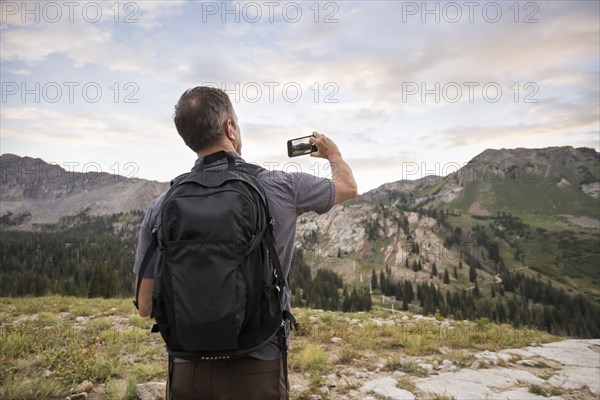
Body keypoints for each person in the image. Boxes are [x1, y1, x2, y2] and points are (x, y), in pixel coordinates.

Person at [133, 86, 357, 400]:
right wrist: (334, 155)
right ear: (229, 128)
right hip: (259, 364)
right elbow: (347, 187)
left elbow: (144, 306)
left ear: (188, 138)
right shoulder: (280, 186)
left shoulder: (162, 206)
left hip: (187, 368)